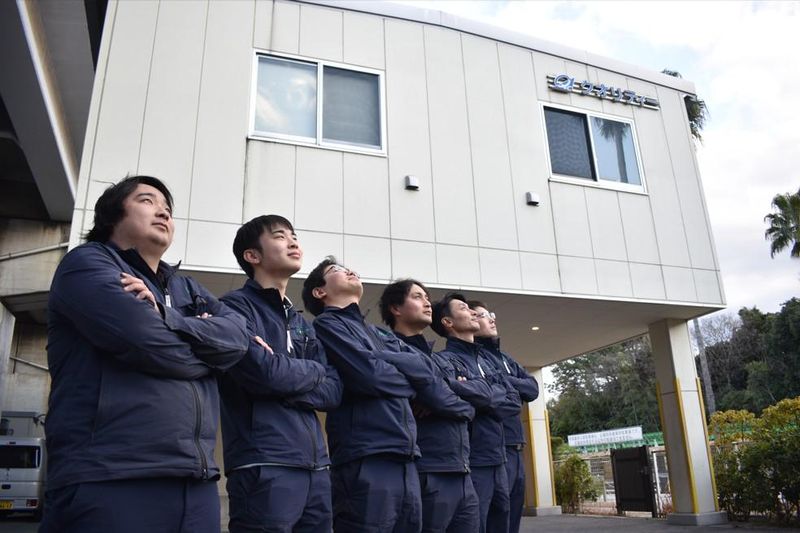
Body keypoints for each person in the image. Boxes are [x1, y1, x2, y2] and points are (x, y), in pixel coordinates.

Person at [42, 175, 249, 533]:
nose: (163, 212)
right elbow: (147, 344)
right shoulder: (89, 263)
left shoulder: (187, 288)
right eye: (147, 201)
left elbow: (238, 340)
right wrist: (212, 360)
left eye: (167, 208)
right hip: (112, 477)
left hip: (196, 480)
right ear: (113, 215)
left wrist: (170, 317)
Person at [303, 258, 459, 533]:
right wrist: (411, 383)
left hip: (406, 456)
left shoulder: (377, 333)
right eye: (336, 270)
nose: (349, 270)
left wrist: (385, 362)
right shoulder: (327, 325)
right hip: (367, 456)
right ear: (320, 291)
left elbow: (426, 369)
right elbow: (371, 376)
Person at [219, 215, 343, 533]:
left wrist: (288, 376)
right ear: (252, 255)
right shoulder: (233, 308)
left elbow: (332, 390)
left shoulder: (300, 322)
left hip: (317, 466)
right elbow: (263, 373)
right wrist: (311, 371)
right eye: (279, 236)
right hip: (263, 461)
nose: (292, 241)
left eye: (294, 235)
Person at [379, 279, 480, 533]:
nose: (427, 303)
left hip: (462, 470)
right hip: (427, 470)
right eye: (417, 297)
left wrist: (445, 399)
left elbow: (465, 401)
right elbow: (440, 397)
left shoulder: (438, 359)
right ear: (396, 308)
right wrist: (449, 400)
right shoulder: (389, 348)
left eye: (426, 297)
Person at [431, 293, 522, 533]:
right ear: (448, 322)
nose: (473, 312)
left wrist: (474, 392)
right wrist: (489, 394)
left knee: (502, 524)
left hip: (499, 459)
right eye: (464, 308)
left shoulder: (488, 361)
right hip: (473, 460)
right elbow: (452, 400)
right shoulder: (443, 360)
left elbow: (514, 402)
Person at [469, 301, 539, 533]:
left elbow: (532, 389)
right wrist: (511, 386)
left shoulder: (505, 359)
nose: (491, 319)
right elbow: (496, 396)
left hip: (517, 449)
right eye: (483, 315)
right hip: (495, 449)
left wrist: (505, 380)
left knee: (512, 518)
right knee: (493, 518)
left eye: (491, 314)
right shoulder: (475, 359)